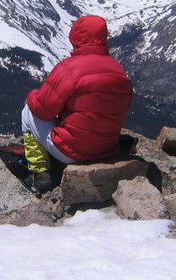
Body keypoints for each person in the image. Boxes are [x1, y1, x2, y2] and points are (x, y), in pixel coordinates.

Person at [21, 15, 133, 192]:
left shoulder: (69, 68)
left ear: (75, 37)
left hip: (72, 152)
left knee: (29, 110)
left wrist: (32, 95)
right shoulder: (119, 71)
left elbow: (43, 111)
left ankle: (39, 172)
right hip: (107, 150)